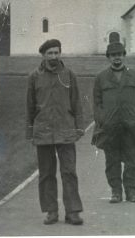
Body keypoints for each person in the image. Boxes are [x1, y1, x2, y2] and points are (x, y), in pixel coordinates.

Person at [26, 39, 84, 225]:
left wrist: (80, 126)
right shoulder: (34, 77)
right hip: (43, 132)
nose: (54, 56)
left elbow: (76, 103)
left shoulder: (68, 75)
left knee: (69, 172)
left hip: (65, 130)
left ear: (60, 53)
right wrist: (30, 131)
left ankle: (73, 211)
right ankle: (51, 211)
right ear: (43, 55)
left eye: (56, 52)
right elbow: (29, 107)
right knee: (46, 173)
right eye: (50, 53)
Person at [92, 42, 135, 203]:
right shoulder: (101, 78)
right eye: (113, 55)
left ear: (124, 55)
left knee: (132, 160)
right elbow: (96, 103)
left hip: (131, 126)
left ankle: (131, 191)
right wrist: (102, 120)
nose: (117, 58)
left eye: (119, 54)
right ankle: (116, 192)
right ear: (108, 58)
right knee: (112, 161)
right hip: (110, 127)